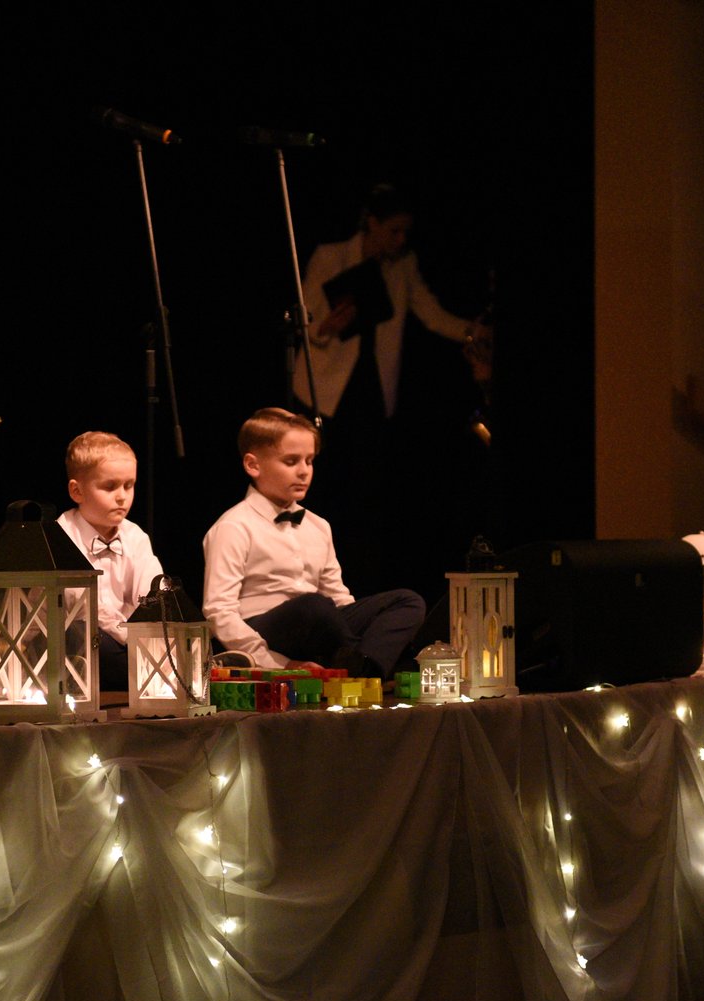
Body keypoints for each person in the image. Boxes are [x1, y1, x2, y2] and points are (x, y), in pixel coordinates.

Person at [201, 407, 425, 677]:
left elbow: (339, 598)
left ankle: (364, 667)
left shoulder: (319, 526)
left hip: (321, 623)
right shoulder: (234, 526)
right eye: (291, 461)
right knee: (312, 606)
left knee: (407, 601)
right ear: (253, 465)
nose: (304, 471)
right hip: (268, 628)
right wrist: (274, 662)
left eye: (309, 461)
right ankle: (370, 664)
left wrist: (360, 624)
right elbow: (219, 610)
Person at [293, 183, 490, 426]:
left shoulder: (403, 265)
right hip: (326, 381)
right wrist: (327, 327)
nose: (401, 239)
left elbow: (432, 315)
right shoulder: (331, 257)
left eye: (406, 232)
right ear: (373, 223)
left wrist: (476, 332)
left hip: (373, 380)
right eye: (394, 231)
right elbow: (306, 314)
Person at [55, 432, 163, 691]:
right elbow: (85, 605)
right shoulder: (62, 535)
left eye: (129, 485)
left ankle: (150, 671)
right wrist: (129, 637)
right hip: (75, 635)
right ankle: (148, 674)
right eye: (110, 486)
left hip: (124, 639)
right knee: (86, 639)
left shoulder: (135, 536)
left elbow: (153, 594)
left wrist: (151, 637)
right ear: (77, 491)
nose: (122, 496)